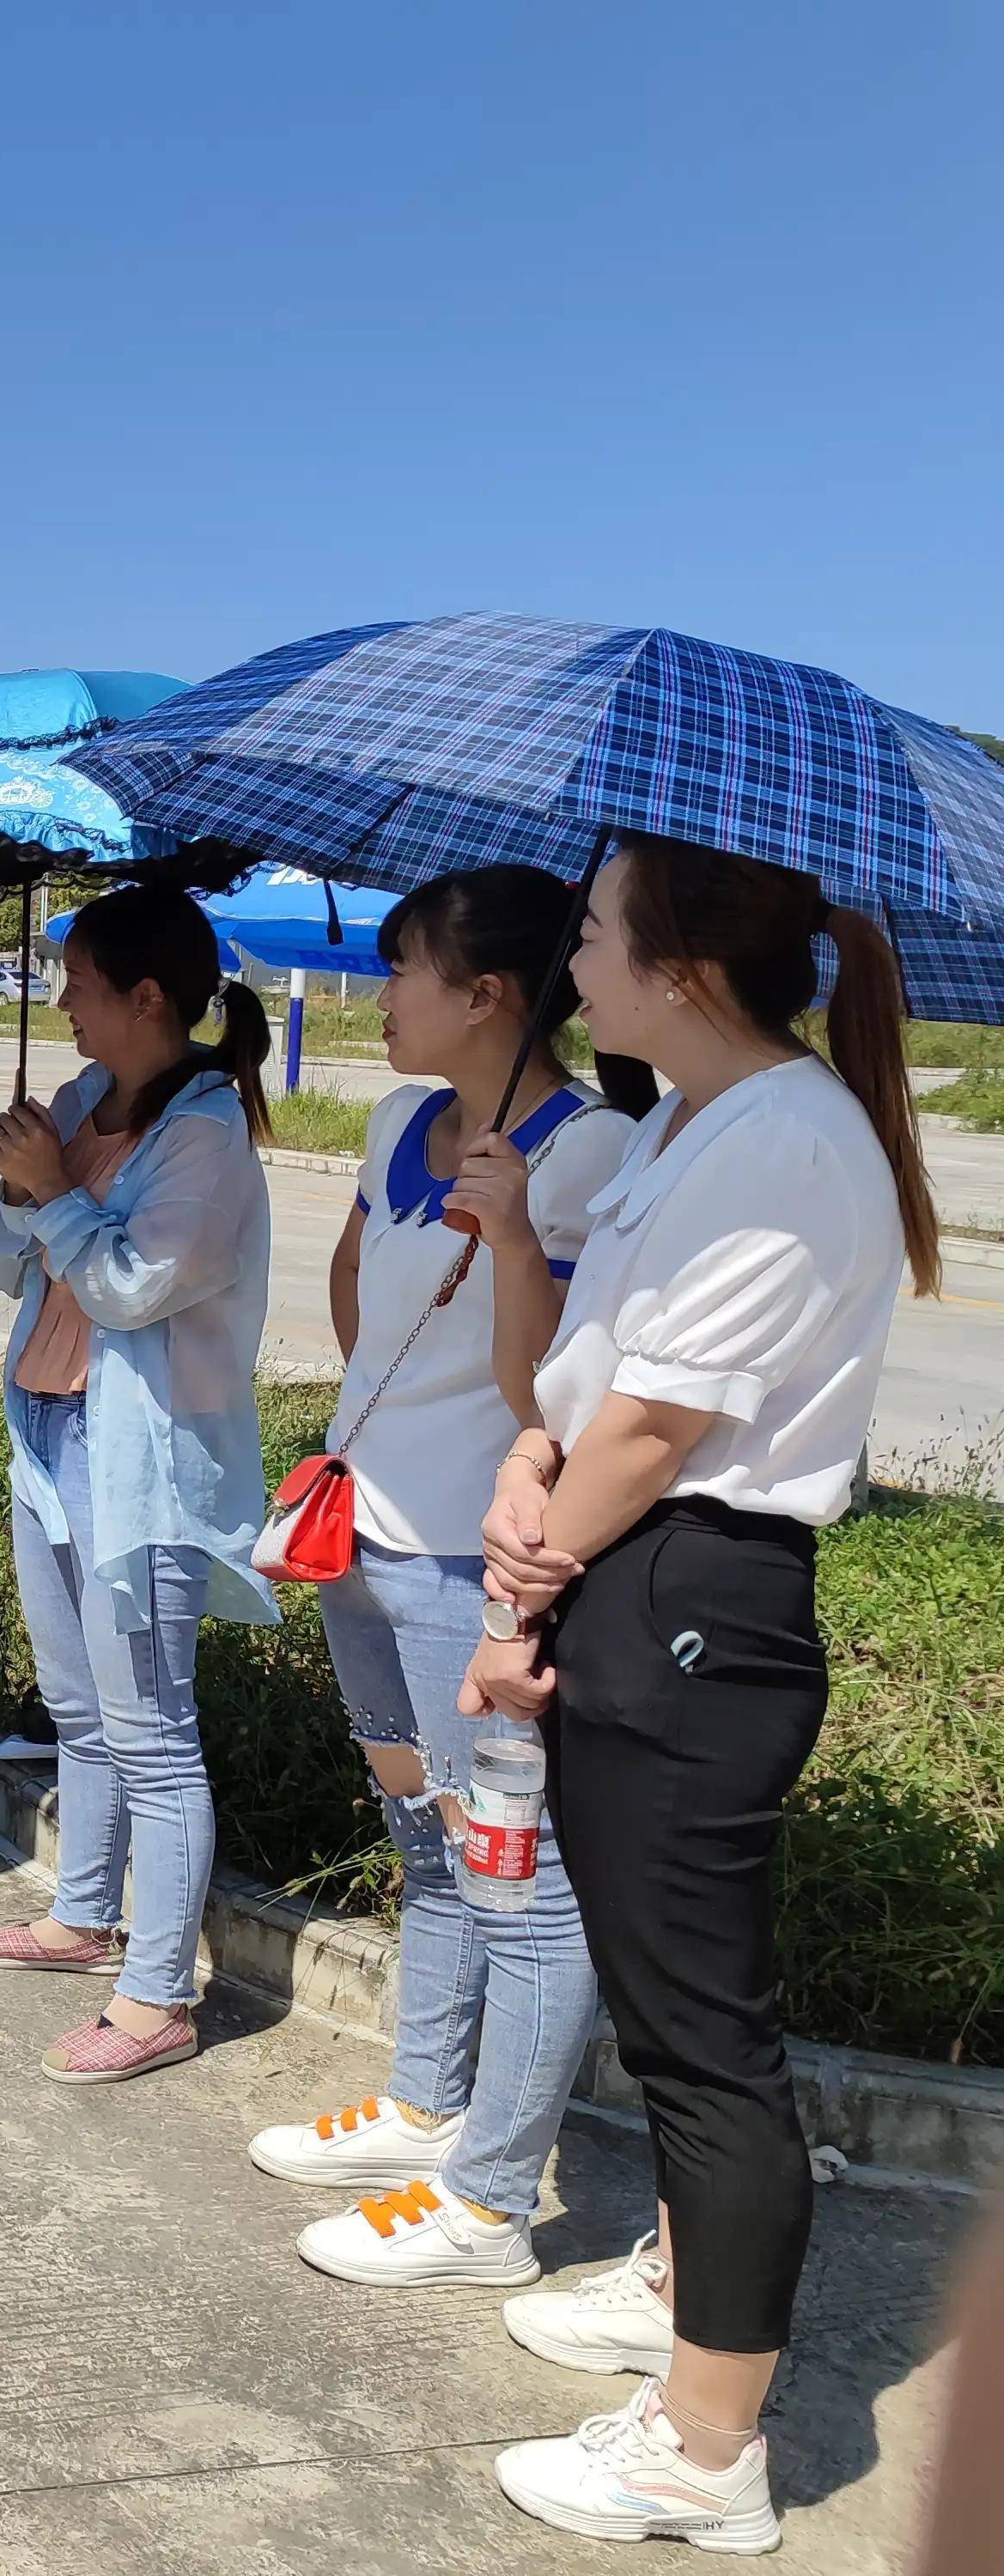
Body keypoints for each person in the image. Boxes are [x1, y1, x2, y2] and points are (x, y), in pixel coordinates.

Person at [471, 835, 936, 2554]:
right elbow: (599, 1388)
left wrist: (522, 1579)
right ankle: (677, 2291)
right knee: (674, 2017)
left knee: (699, 2046)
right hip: (636, 1570)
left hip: (687, 1596)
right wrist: (533, 1457)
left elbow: (661, 1429)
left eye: (589, 932)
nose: (568, 960)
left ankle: (703, 2451)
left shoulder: (783, 1143)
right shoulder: (691, 1120)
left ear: (675, 965)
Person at [240, 867, 637, 2284]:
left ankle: (490, 2198)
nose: (383, 994)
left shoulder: (592, 1158)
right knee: (424, 1840)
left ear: (485, 996)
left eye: (404, 968)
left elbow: (560, 1393)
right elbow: (360, 1293)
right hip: (363, 1544)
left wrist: (519, 1233)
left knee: (513, 1876)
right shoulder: (401, 1116)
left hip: (473, 1567)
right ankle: (423, 2106)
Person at [0, 883, 277, 2083]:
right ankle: (82, 1917)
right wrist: (23, 1183)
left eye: (81, 984)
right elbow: (4, 1266)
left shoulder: (204, 1136)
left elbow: (136, 1286)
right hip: (44, 1429)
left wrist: (54, 1194)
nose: (66, 1007)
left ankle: (157, 1999)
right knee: (80, 1709)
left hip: (134, 1454)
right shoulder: (83, 1101)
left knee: (152, 1728)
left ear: (147, 997)